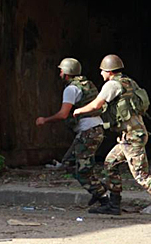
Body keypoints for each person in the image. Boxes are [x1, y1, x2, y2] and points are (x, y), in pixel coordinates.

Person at [73, 54, 151, 221]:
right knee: (110, 164)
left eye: (102, 71)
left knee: (140, 175)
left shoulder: (112, 85)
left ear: (109, 71)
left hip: (132, 136)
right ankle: (114, 205)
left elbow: (96, 105)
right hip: (129, 135)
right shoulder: (129, 82)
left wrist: (79, 110)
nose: (100, 74)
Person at [36, 58, 107, 205]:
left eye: (61, 70)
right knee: (73, 163)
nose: (60, 73)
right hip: (95, 129)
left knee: (79, 168)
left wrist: (45, 120)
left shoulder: (71, 89)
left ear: (67, 73)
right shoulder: (87, 84)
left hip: (89, 132)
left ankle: (103, 197)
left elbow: (63, 114)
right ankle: (99, 190)